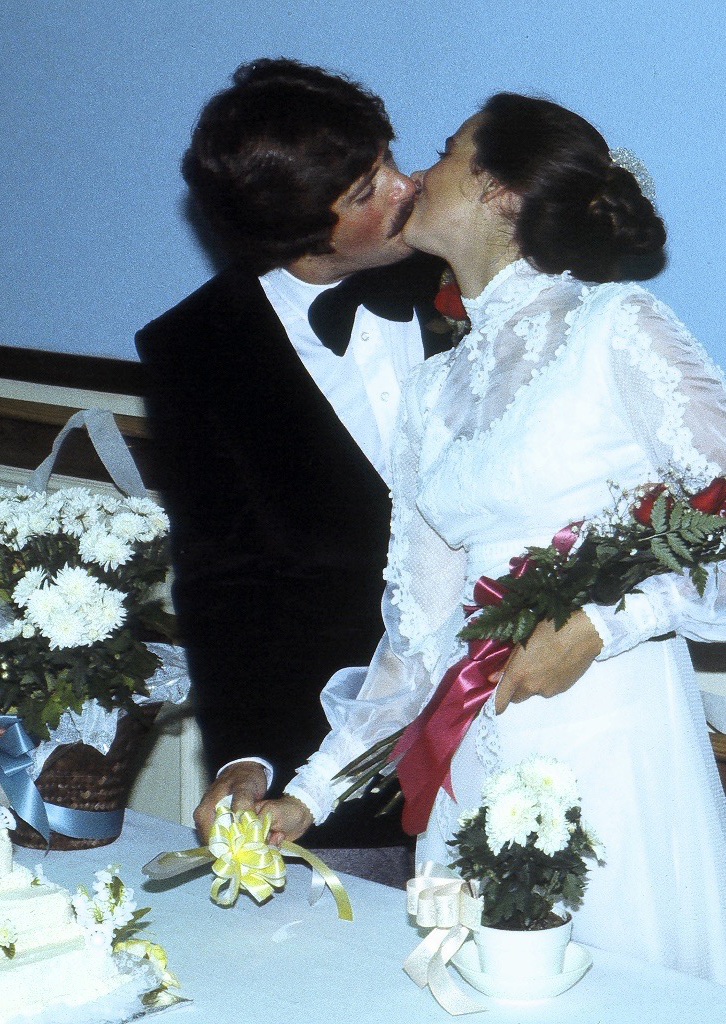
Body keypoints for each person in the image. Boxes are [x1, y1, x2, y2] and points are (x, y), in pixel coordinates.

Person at [257, 93, 726, 992]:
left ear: (501, 194)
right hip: (476, 745)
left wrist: (602, 624)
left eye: (446, 153)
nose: (422, 173)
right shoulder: (436, 388)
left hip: (607, 729)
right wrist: (309, 792)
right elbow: (420, 637)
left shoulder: (616, 328)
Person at [135, 59, 457, 883]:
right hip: (338, 762)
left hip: (516, 716)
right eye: (367, 188)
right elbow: (224, 579)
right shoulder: (194, 351)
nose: (407, 186)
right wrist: (248, 756)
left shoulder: (469, 274)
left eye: (390, 157)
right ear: (299, 229)